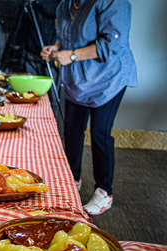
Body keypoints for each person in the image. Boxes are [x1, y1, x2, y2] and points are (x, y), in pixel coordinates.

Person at [40, 0, 137, 215]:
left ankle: (104, 191)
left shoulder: (114, 2)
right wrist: (57, 48)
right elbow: (69, 36)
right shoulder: (64, 6)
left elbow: (112, 43)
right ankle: (72, 179)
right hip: (77, 79)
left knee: (99, 133)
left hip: (108, 77)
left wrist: (72, 55)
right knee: (71, 131)